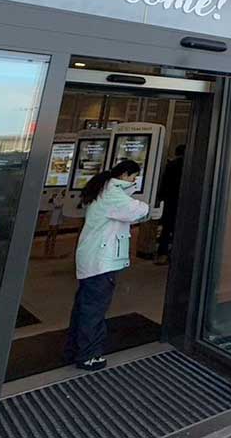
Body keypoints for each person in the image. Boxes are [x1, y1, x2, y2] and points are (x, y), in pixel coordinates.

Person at [64, 159, 149, 371]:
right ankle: (88, 355)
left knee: (84, 307)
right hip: (101, 261)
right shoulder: (112, 194)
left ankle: (74, 349)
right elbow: (137, 210)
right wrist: (146, 205)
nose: (135, 181)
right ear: (124, 175)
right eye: (133, 177)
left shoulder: (102, 190)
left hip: (92, 258)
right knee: (94, 309)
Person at [154, 144, 184, 264]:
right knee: (179, 227)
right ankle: (175, 253)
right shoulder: (188, 165)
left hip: (169, 200)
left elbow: (164, 182)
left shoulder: (171, 165)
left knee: (166, 228)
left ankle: (162, 254)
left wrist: (160, 197)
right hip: (182, 200)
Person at [44, 189, 65, 257]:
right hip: (54, 217)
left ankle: (51, 247)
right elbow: (57, 205)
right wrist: (54, 199)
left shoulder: (62, 199)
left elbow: (59, 205)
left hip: (58, 217)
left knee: (54, 233)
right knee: (50, 232)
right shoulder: (58, 198)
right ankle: (47, 245)